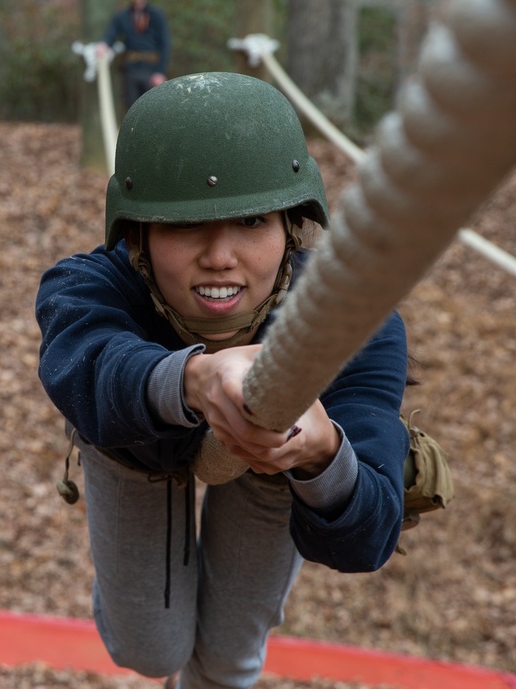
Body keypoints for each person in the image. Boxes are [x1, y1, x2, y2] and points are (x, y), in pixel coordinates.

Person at [35, 72, 411, 689]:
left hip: (272, 472)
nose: (219, 255)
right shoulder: (89, 287)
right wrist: (190, 379)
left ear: (292, 228)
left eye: (251, 222)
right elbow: (84, 360)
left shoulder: (350, 324)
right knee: (150, 649)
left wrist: (321, 453)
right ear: (138, 235)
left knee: (230, 663)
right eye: (184, 226)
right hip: (136, 446)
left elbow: (366, 541)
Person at [96, 0, 170, 111]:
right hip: (131, 70)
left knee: (152, 109)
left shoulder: (156, 15)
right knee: (131, 108)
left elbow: (164, 44)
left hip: (150, 70)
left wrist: (160, 71)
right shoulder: (122, 16)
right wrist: (104, 45)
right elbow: (111, 34)